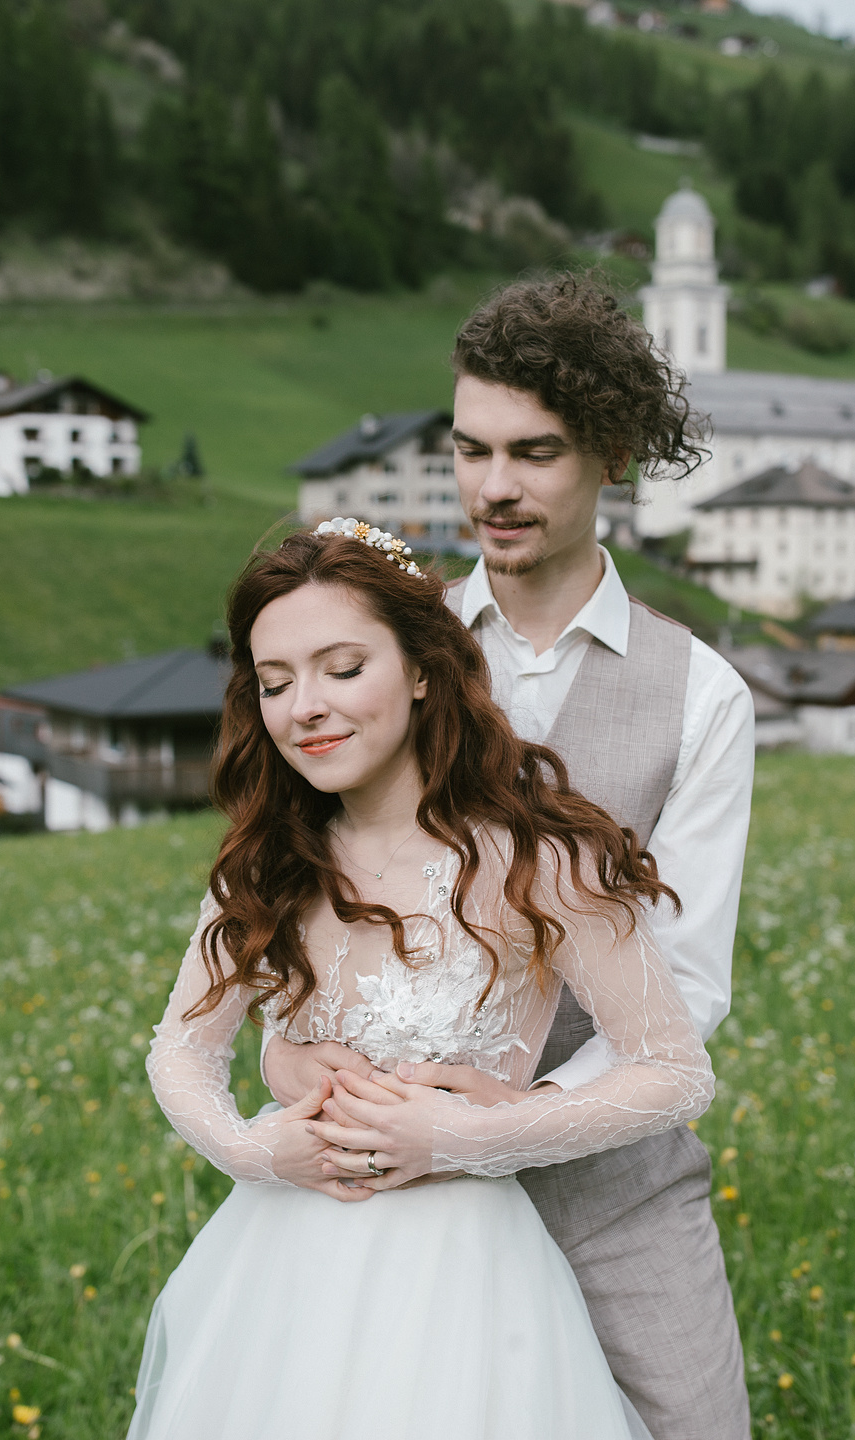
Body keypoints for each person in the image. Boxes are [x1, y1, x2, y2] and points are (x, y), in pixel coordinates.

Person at [263, 275, 757, 1439]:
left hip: (613, 1186)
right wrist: (327, 1085)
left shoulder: (702, 696)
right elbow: (304, 898)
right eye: (471, 449)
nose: (493, 488)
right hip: (395, 1184)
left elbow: (691, 982)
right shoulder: (380, 652)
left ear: (612, 453)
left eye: (534, 452)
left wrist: (507, 1122)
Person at [129, 521, 714, 1438]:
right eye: (275, 683)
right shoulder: (265, 865)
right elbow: (181, 1049)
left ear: (422, 669)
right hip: (283, 1263)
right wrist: (254, 1150)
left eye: (341, 668)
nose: (304, 707)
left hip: (466, 1276)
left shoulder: (540, 859)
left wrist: (475, 1136)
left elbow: (676, 1073)